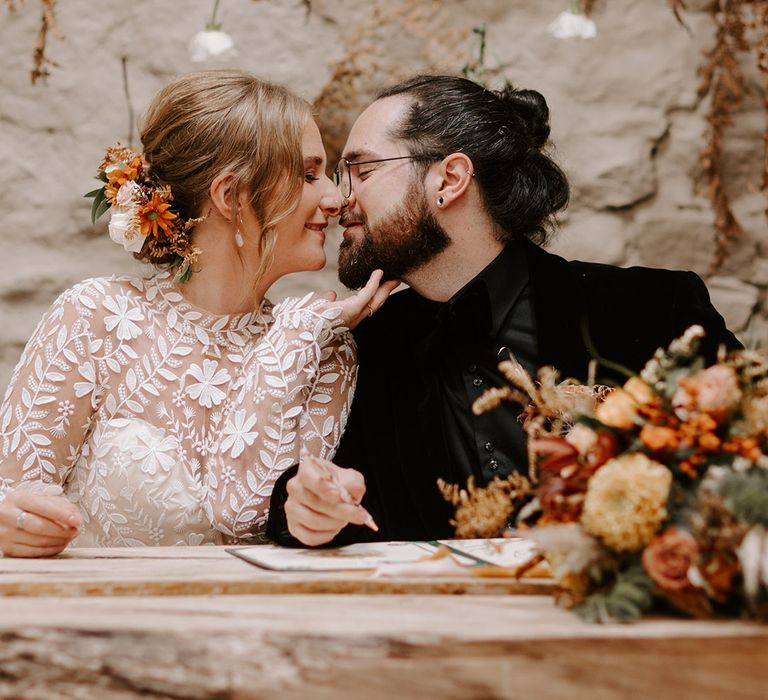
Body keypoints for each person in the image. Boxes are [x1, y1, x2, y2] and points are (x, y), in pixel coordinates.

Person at [266, 74, 742, 547]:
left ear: (450, 180)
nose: (340, 197)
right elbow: (341, 504)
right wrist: (306, 509)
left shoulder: (654, 310)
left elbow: (747, 468)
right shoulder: (369, 344)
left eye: (362, 172)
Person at [0, 69, 397, 557]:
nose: (336, 198)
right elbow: (12, 492)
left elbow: (244, 518)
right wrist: (16, 521)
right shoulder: (94, 317)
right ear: (230, 196)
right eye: (308, 174)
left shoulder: (325, 347)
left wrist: (296, 338)